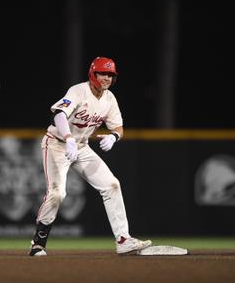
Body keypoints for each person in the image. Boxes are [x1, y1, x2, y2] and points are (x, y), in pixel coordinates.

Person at [29, 56, 152, 256]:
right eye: (103, 73)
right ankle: (38, 243)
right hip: (57, 144)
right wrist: (68, 137)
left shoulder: (109, 98)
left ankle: (123, 240)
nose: (107, 78)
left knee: (112, 185)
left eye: (111, 75)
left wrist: (114, 137)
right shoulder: (79, 90)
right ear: (93, 74)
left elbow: (118, 127)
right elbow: (59, 114)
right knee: (58, 193)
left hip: (82, 147)